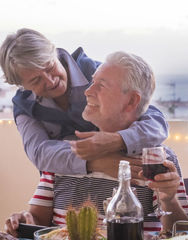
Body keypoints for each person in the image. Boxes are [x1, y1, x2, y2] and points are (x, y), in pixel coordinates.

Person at [5, 51, 188, 234]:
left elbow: (182, 234)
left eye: (100, 85)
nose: (87, 91)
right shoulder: (65, 153)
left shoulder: (156, 160)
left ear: (132, 100)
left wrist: (169, 199)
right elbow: (37, 220)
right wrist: (24, 222)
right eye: (92, 82)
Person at [0, 28, 168, 178]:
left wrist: (117, 140)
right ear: (21, 86)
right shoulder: (23, 106)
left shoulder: (100, 74)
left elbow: (156, 123)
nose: (50, 81)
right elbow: (39, 153)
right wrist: (97, 162)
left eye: (50, 67)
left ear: (54, 54)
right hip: (61, 185)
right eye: (36, 80)